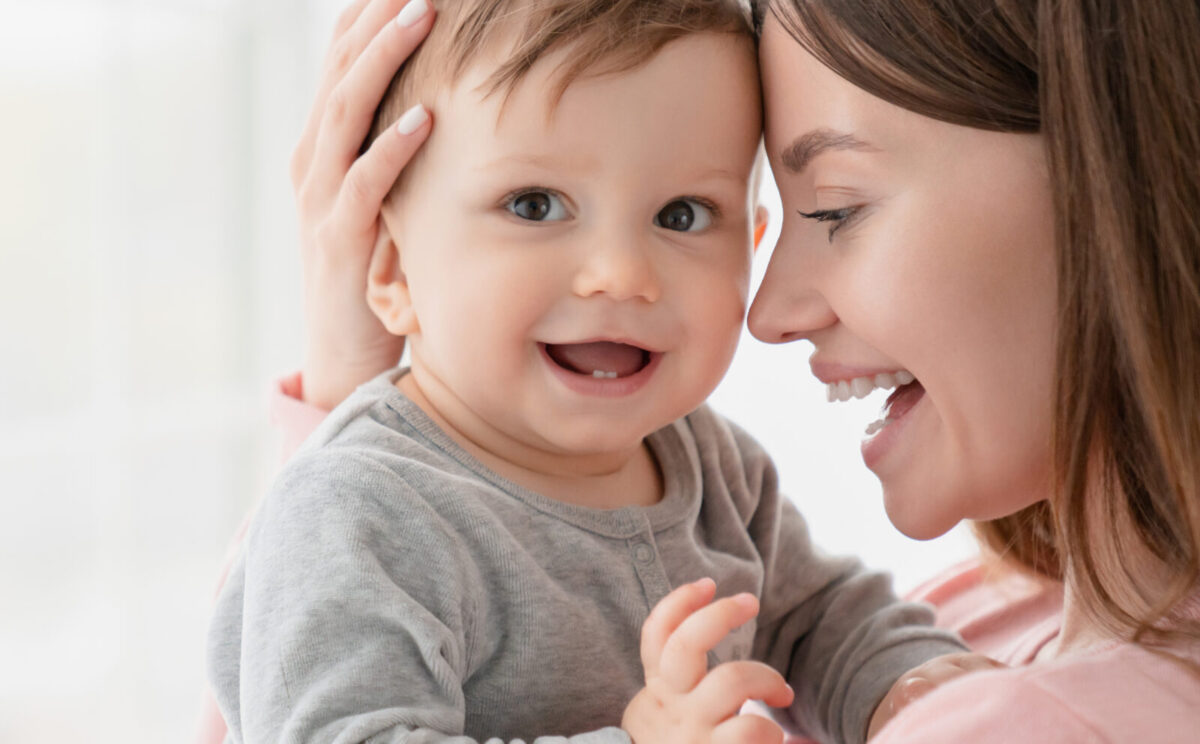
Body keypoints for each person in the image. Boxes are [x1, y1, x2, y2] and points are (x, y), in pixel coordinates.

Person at [248, 0, 1200, 741]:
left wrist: (905, 685)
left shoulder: (708, 470)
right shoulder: (357, 511)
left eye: (682, 216)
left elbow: (823, 620)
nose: (621, 274)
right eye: (534, 204)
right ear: (385, 267)